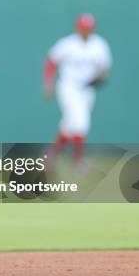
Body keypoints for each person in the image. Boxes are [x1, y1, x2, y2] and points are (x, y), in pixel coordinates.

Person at [43, 13, 112, 168]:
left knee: (68, 125)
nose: (85, 31)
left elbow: (104, 70)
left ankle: (51, 156)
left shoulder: (99, 45)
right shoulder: (68, 44)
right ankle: (78, 161)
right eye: (83, 28)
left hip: (87, 90)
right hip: (69, 87)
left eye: (88, 28)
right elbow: (51, 61)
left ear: (93, 28)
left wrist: (101, 77)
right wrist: (48, 83)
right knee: (81, 123)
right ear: (78, 28)